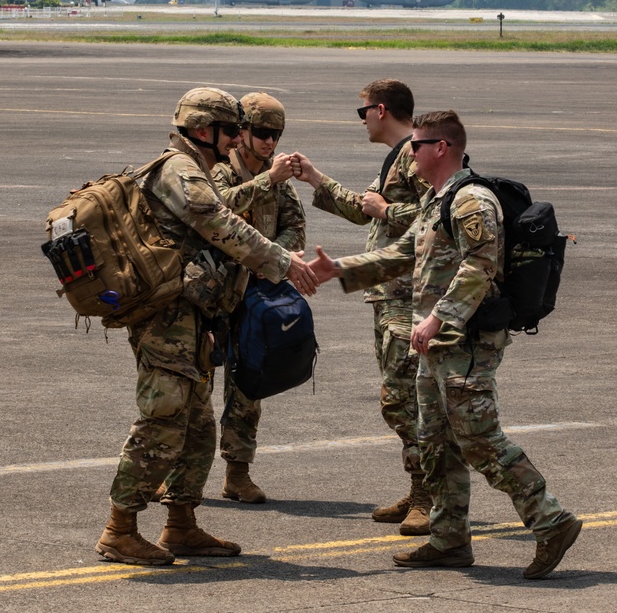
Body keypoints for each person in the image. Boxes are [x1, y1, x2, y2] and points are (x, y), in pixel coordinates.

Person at [306, 110, 581, 580]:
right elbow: (403, 252)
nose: (408, 153)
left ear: (441, 148)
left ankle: (551, 521)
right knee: (435, 440)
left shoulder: (472, 200)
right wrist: (342, 270)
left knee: (480, 439)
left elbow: (481, 266)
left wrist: (437, 319)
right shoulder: (438, 200)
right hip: (435, 343)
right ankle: (449, 537)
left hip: (466, 341)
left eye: (416, 145)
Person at [96, 87, 318, 566]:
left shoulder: (195, 167)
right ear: (203, 130)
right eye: (232, 129)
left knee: (198, 427)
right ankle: (119, 529)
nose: (240, 137)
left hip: (193, 314)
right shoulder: (179, 170)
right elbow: (219, 223)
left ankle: (181, 525)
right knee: (162, 422)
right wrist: (282, 260)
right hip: (167, 318)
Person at [289, 79, 431, 534]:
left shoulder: (414, 155)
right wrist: (314, 177)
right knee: (398, 398)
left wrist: (387, 212)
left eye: (363, 111)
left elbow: (440, 212)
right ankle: (420, 485)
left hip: (408, 295)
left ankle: (429, 496)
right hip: (388, 294)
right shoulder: (397, 157)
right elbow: (361, 207)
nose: (363, 119)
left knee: (403, 399)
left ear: (382, 110)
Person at [210, 91, 306, 504]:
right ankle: (173, 471)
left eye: (277, 135)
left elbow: (296, 230)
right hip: (212, 291)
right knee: (192, 385)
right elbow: (216, 212)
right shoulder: (219, 170)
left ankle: (237, 471)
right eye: (263, 133)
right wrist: (268, 180)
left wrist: (268, 258)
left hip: (255, 293)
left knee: (249, 385)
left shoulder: (278, 177)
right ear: (243, 131)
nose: (270, 143)